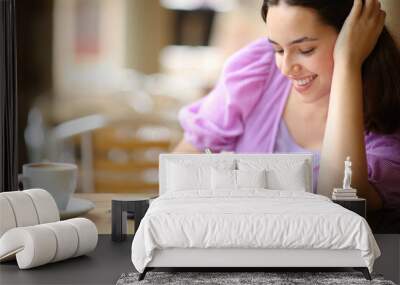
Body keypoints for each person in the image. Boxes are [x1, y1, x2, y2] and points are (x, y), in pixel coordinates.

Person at [173, 0, 400, 212]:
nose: (286, 68)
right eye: (278, 50)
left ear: (356, 39)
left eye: (306, 50)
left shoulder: (389, 119)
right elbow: (184, 160)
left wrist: (348, 63)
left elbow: (341, 204)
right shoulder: (258, 66)